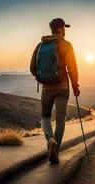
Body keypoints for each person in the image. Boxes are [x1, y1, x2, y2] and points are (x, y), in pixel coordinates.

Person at [30, 18, 80, 164]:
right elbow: (72, 68)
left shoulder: (40, 45)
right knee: (60, 119)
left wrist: (43, 78)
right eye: (64, 28)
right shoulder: (66, 45)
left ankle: (50, 140)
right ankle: (55, 150)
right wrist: (76, 86)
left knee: (45, 117)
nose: (65, 31)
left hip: (46, 88)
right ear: (61, 29)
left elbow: (32, 68)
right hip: (62, 87)